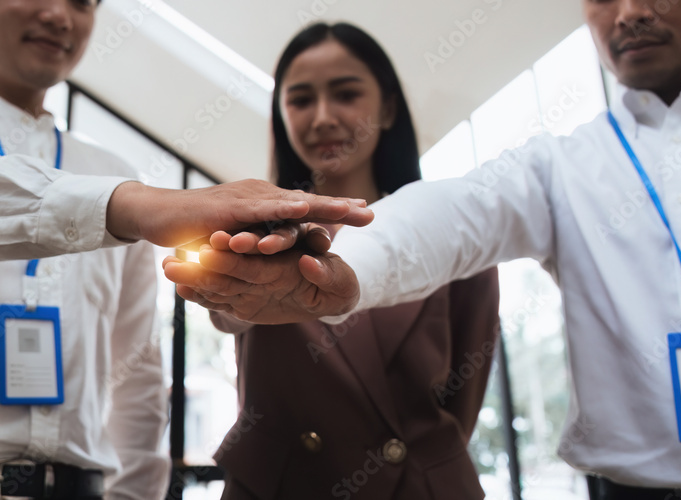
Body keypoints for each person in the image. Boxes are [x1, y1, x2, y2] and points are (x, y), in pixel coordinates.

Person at [165, 0, 681, 498]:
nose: (630, 13)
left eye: (346, 93)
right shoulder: (553, 168)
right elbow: (446, 219)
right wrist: (337, 275)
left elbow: (460, 401)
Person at [0, 1, 372, 499]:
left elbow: (137, 372)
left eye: (84, 1)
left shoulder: (111, 169)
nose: (60, 15)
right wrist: (140, 207)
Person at [206, 23, 499, 500]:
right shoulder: (253, 230)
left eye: (345, 94)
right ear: (281, 115)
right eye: (300, 99)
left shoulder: (453, 231)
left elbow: (462, 401)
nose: (323, 117)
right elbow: (225, 313)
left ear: (386, 108)